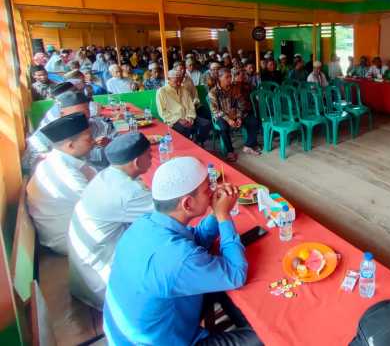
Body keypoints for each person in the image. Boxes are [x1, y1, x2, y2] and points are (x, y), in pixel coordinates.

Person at [103, 157, 260, 346]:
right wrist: (223, 216)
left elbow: (195, 240)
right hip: (162, 341)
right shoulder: (179, 259)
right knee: (268, 335)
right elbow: (236, 274)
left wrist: (213, 214)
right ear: (187, 204)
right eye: (206, 190)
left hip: (135, 331)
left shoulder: (145, 224)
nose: (212, 193)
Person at [68, 133, 153, 310]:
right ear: (137, 162)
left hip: (85, 273)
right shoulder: (129, 193)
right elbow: (171, 212)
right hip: (106, 283)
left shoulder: (105, 176)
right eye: (149, 155)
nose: (152, 158)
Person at [26, 113, 96, 254]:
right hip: (68, 240)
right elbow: (98, 204)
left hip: (71, 227)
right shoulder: (64, 172)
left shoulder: (57, 159)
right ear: (70, 145)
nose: (94, 141)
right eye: (89, 138)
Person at [208, 68, 261, 162]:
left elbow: (241, 104)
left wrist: (239, 117)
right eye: (227, 77)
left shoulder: (234, 88)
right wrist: (228, 119)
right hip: (222, 116)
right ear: (219, 78)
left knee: (253, 121)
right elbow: (215, 110)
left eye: (230, 76)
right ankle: (230, 151)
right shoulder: (213, 92)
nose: (230, 79)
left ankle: (249, 145)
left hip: (236, 114)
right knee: (223, 128)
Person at [157, 69, 211, 145]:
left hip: (188, 117)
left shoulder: (183, 89)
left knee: (206, 124)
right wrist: (179, 120)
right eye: (176, 81)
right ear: (168, 79)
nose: (179, 83)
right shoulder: (161, 92)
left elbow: (191, 106)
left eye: (180, 81)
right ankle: (188, 146)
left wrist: (190, 118)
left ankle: (197, 142)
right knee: (184, 129)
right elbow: (162, 112)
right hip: (174, 120)